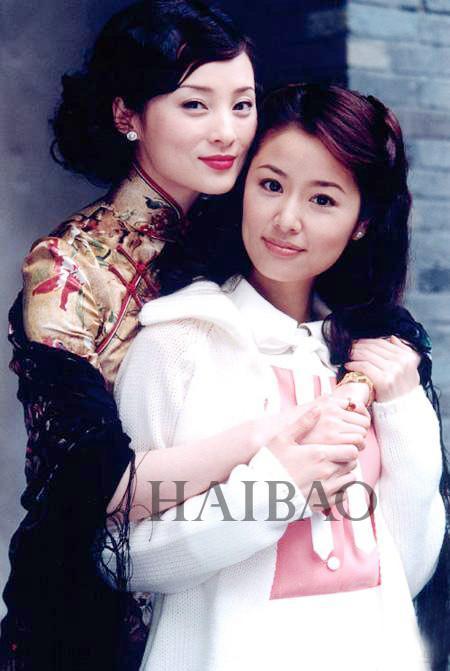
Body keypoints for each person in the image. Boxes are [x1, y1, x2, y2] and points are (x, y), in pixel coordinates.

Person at [109, 84, 449, 670]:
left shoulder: (365, 357)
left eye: (322, 199)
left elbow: (405, 571)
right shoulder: (179, 339)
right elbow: (126, 557)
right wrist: (276, 487)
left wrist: (402, 411)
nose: (286, 220)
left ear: (363, 222)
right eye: (270, 185)